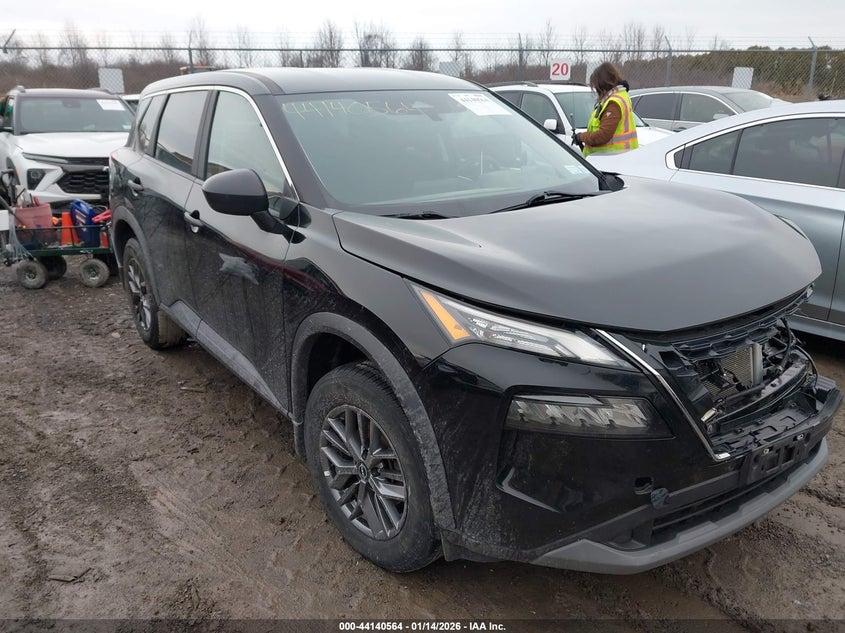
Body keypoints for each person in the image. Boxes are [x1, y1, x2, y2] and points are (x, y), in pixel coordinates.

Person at [572, 62, 638, 157]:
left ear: (603, 84)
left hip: (611, 160)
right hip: (615, 158)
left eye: (596, 86)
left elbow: (603, 135)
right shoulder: (619, 97)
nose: (596, 90)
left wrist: (581, 137)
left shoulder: (613, 102)